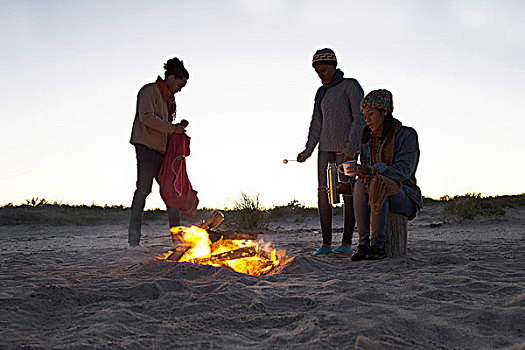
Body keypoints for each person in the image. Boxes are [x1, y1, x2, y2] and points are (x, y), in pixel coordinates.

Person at [297, 48, 366, 255]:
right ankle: (326, 244)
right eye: (317, 71)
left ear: (334, 66)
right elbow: (316, 123)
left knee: (347, 193)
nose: (321, 74)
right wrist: (307, 150)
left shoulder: (350, 86)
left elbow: (360, 119)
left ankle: (346, 242)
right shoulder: (321, 93)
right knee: (324, 194)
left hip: (345, 151)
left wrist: (351, 149)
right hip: (324, 150)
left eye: (324, 69)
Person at [347, 89, 422, 260]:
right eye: (365, 116)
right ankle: (364, 244)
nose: (367, 120)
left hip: (404, 196)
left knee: (377, 183)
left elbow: (404, 170)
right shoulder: (367, 139)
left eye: (371, 114)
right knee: (360, 184)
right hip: (373, 194)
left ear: (384, 112)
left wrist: (374, 170)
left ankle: (377, 245)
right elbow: (365, 172)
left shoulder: (406, 135)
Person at [128, 57, 189, 253]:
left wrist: (176, 131)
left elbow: (167, 127)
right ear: (171, 77)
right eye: (180, 84)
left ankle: (177, 240)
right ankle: (134, 243)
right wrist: (172, 129)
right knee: (143, 190)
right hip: (146, 147)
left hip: (163, 151)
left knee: (171, 194)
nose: (180, 89)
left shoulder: (168, 100)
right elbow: (146, 117)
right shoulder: (149, 91)